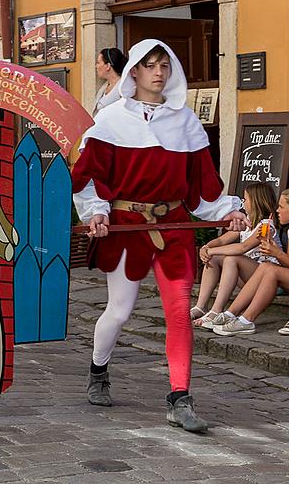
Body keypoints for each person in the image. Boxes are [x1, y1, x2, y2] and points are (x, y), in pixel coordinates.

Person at [72, 38, 245, 433]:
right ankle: (99, 370)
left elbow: (203, 187)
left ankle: (179, 398)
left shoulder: (185, 122)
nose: (158, 72)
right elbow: (87, 178)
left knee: (179, 312)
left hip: (174, 228)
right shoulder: (111, 121)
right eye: (150, 65)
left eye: (164, 65)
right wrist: (97, 212)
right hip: (127, 227)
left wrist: (227, 210)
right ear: (133, 71)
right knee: (119, 310)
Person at [213, 188, 289, 336]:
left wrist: (278, 254)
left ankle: (246, 319)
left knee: (271, 269)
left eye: (281, 207)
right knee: (267, 267)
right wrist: (275, 253)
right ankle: (231, 313)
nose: (277, 210)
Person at [192, 182, 281, 329]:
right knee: (214, 258)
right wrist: (207, 247)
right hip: (249, 276)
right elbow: (222, 239)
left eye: (245, 200)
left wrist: (213, 250)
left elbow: (243, 247)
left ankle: (216, 310)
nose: (243, 203)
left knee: (232, 258)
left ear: (256, 202)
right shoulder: (247, 222)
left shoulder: (266, 226)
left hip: (267, 278)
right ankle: (201, 306)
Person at [93, 47, 127, 115]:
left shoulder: (123, 87)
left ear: (108, 66)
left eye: (98, 62)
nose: (96, 66)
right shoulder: (104, 87)